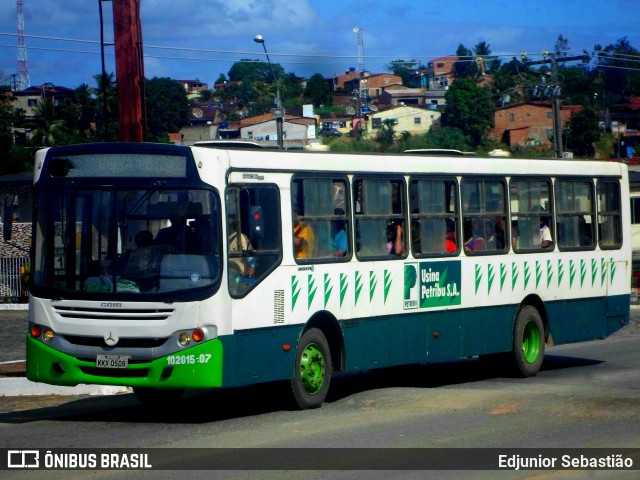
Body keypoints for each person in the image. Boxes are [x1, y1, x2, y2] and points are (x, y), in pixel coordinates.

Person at [228, 219, 257, 291]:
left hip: (241, 278)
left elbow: (250, 257)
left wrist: (249, 276)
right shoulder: (224, 239)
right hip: (230, 275)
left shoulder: (240, 238)